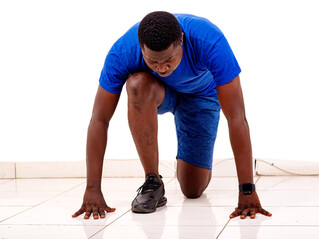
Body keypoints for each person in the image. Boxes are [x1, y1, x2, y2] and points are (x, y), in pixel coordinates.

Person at [72, 11, 272, 220]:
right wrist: (92, 188)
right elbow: (99, 119)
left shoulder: (209, 40)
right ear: (141, 49)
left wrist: (247, 189)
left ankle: (194, 152)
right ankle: (153, 182)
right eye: (153, 62)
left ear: (182, 42)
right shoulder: (123, 51)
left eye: (168, 60)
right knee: (137, 84)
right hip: (156, 92)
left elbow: (237, 118)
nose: (162, 68)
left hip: (200, 97)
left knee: (192, 190)